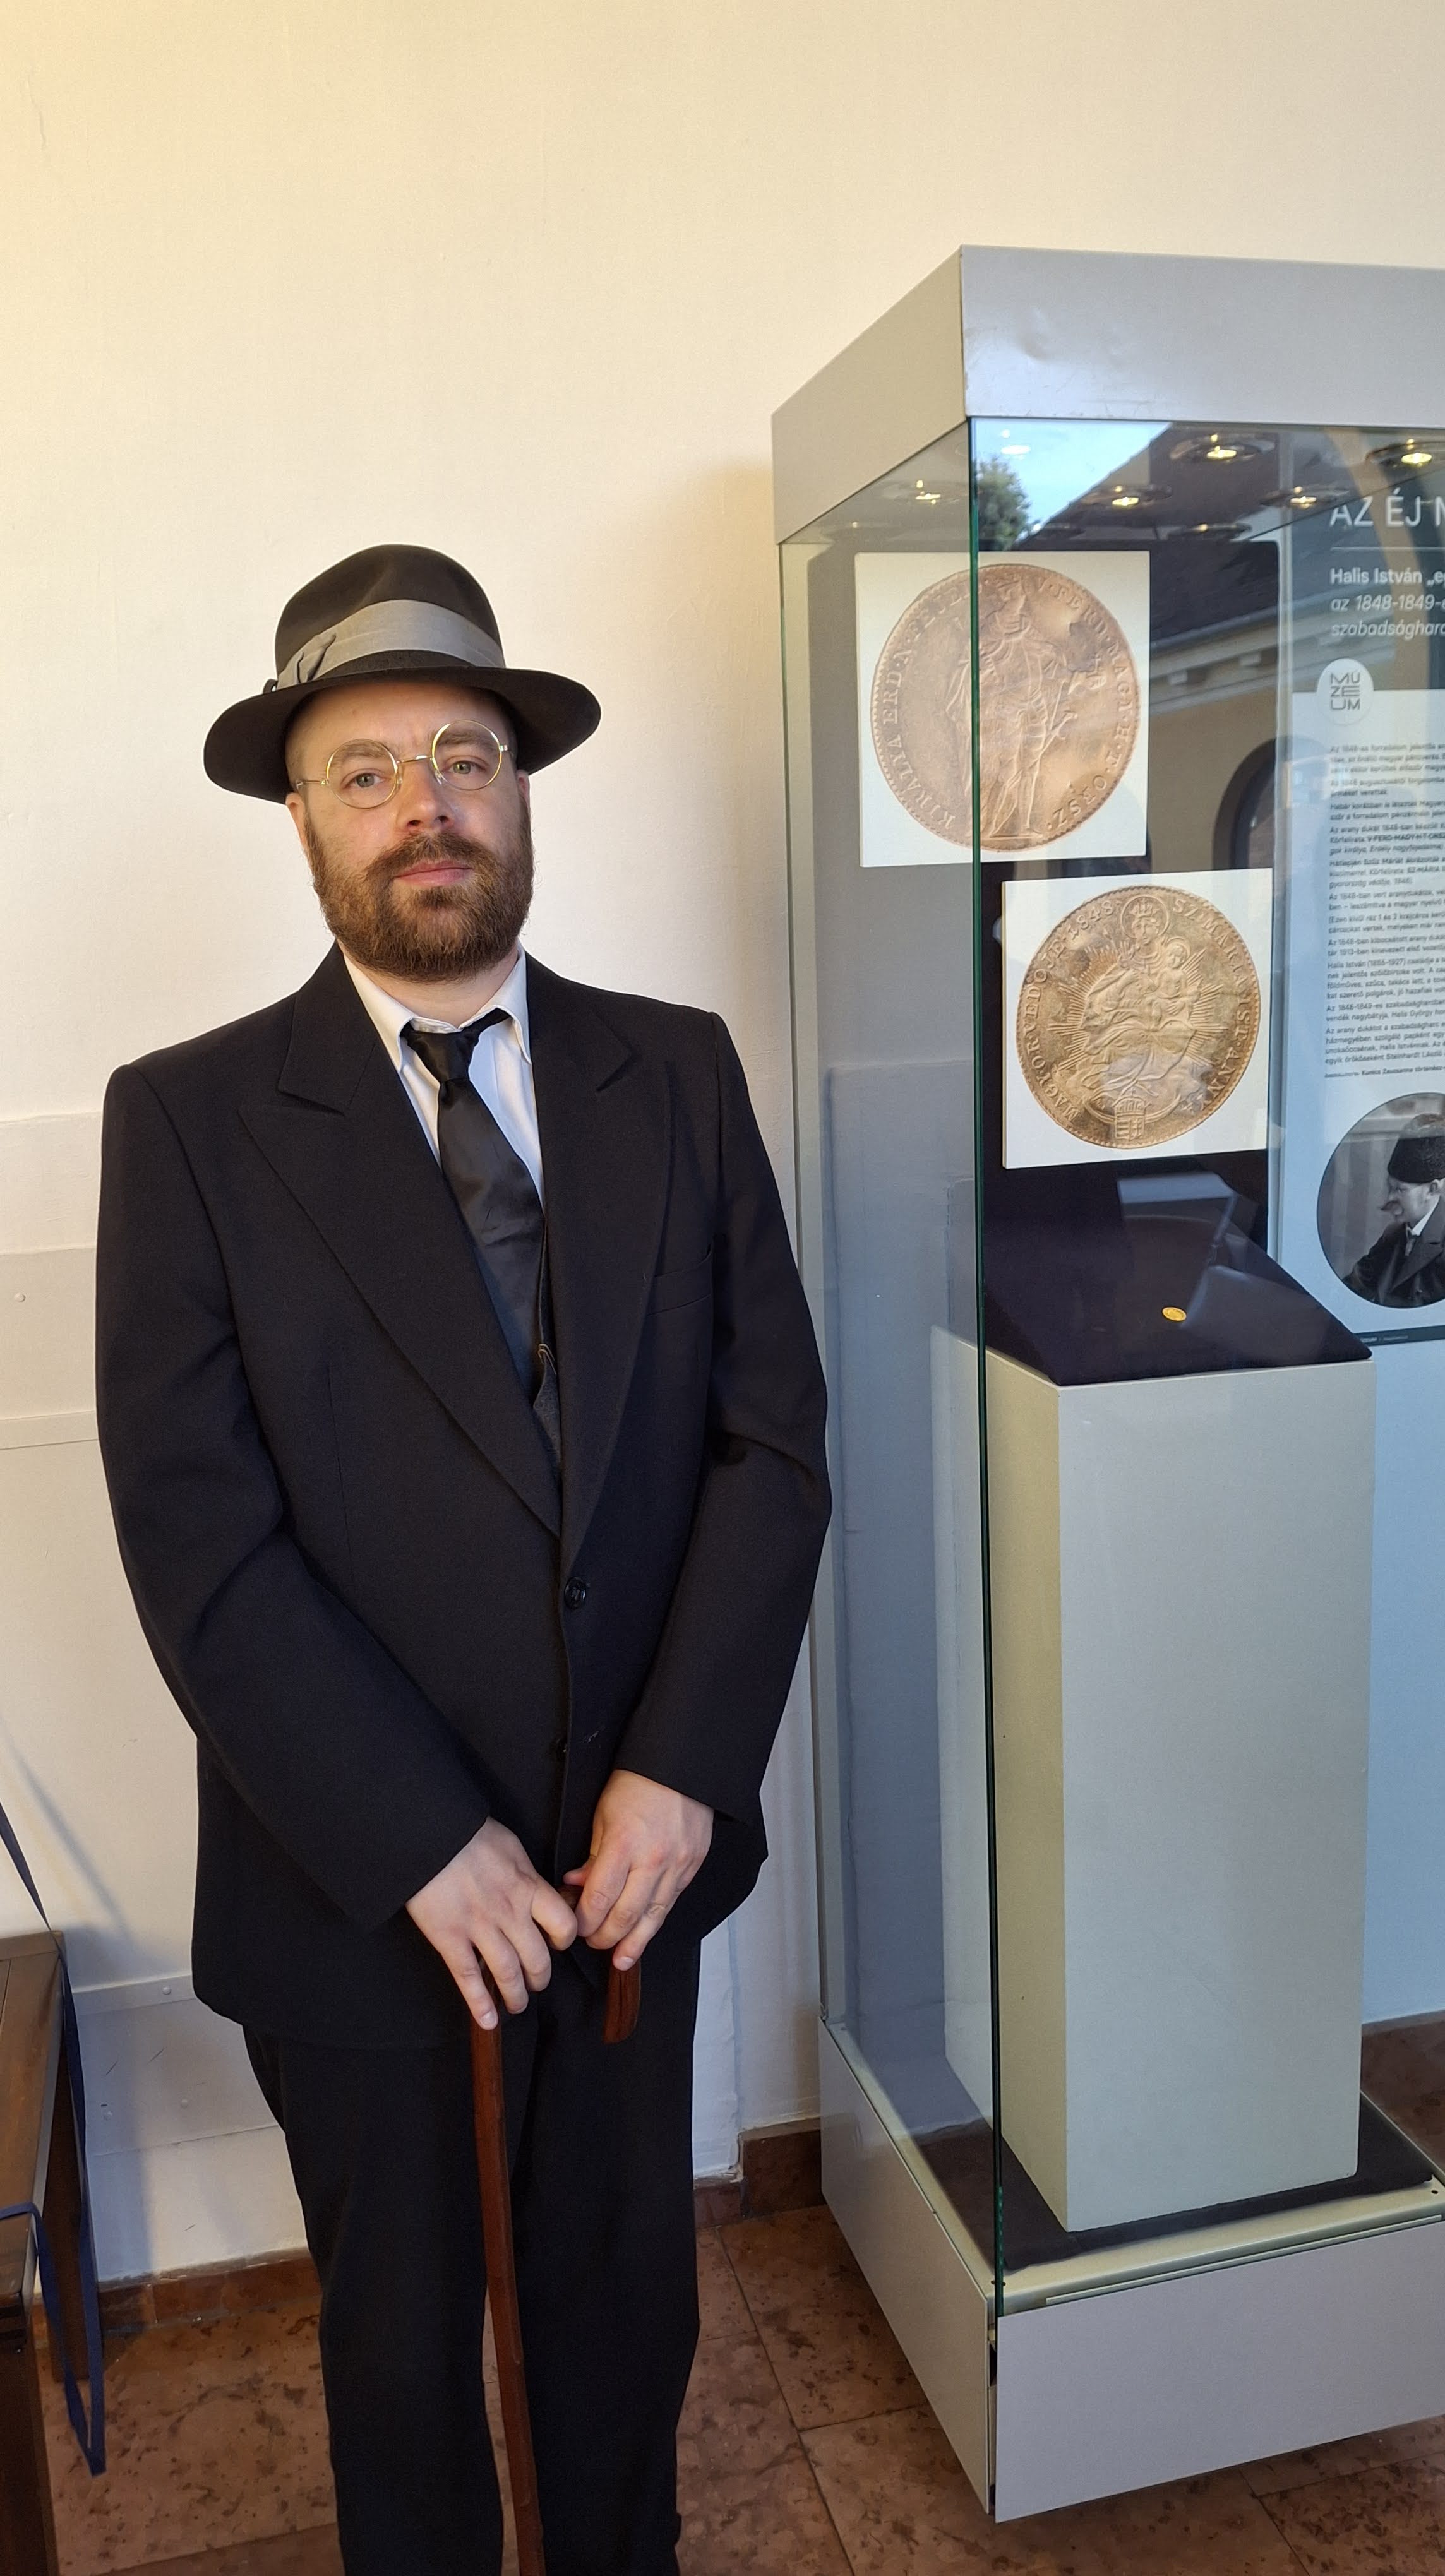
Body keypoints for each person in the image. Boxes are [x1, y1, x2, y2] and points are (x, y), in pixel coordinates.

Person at [94, 544, 830, 2576]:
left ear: (519, 790)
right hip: (358, 1900)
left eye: (464, 756)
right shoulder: (189, 1124)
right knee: (406, 2379)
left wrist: (683, 1770)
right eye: (366, 771)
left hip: (630, 1880)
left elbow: (770, 1444)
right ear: (302, 821)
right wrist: (422, 1841)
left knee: (623, 2330)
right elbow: (199, 1536)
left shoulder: (677, 1072)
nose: (425, 804)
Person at [1345, 1121, 1445, 1308]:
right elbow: (1354, 1285)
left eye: (1400, 1190)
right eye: (1390, 1187)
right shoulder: (1393, 1235)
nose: (1390, 1197)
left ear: (1432, 1189)